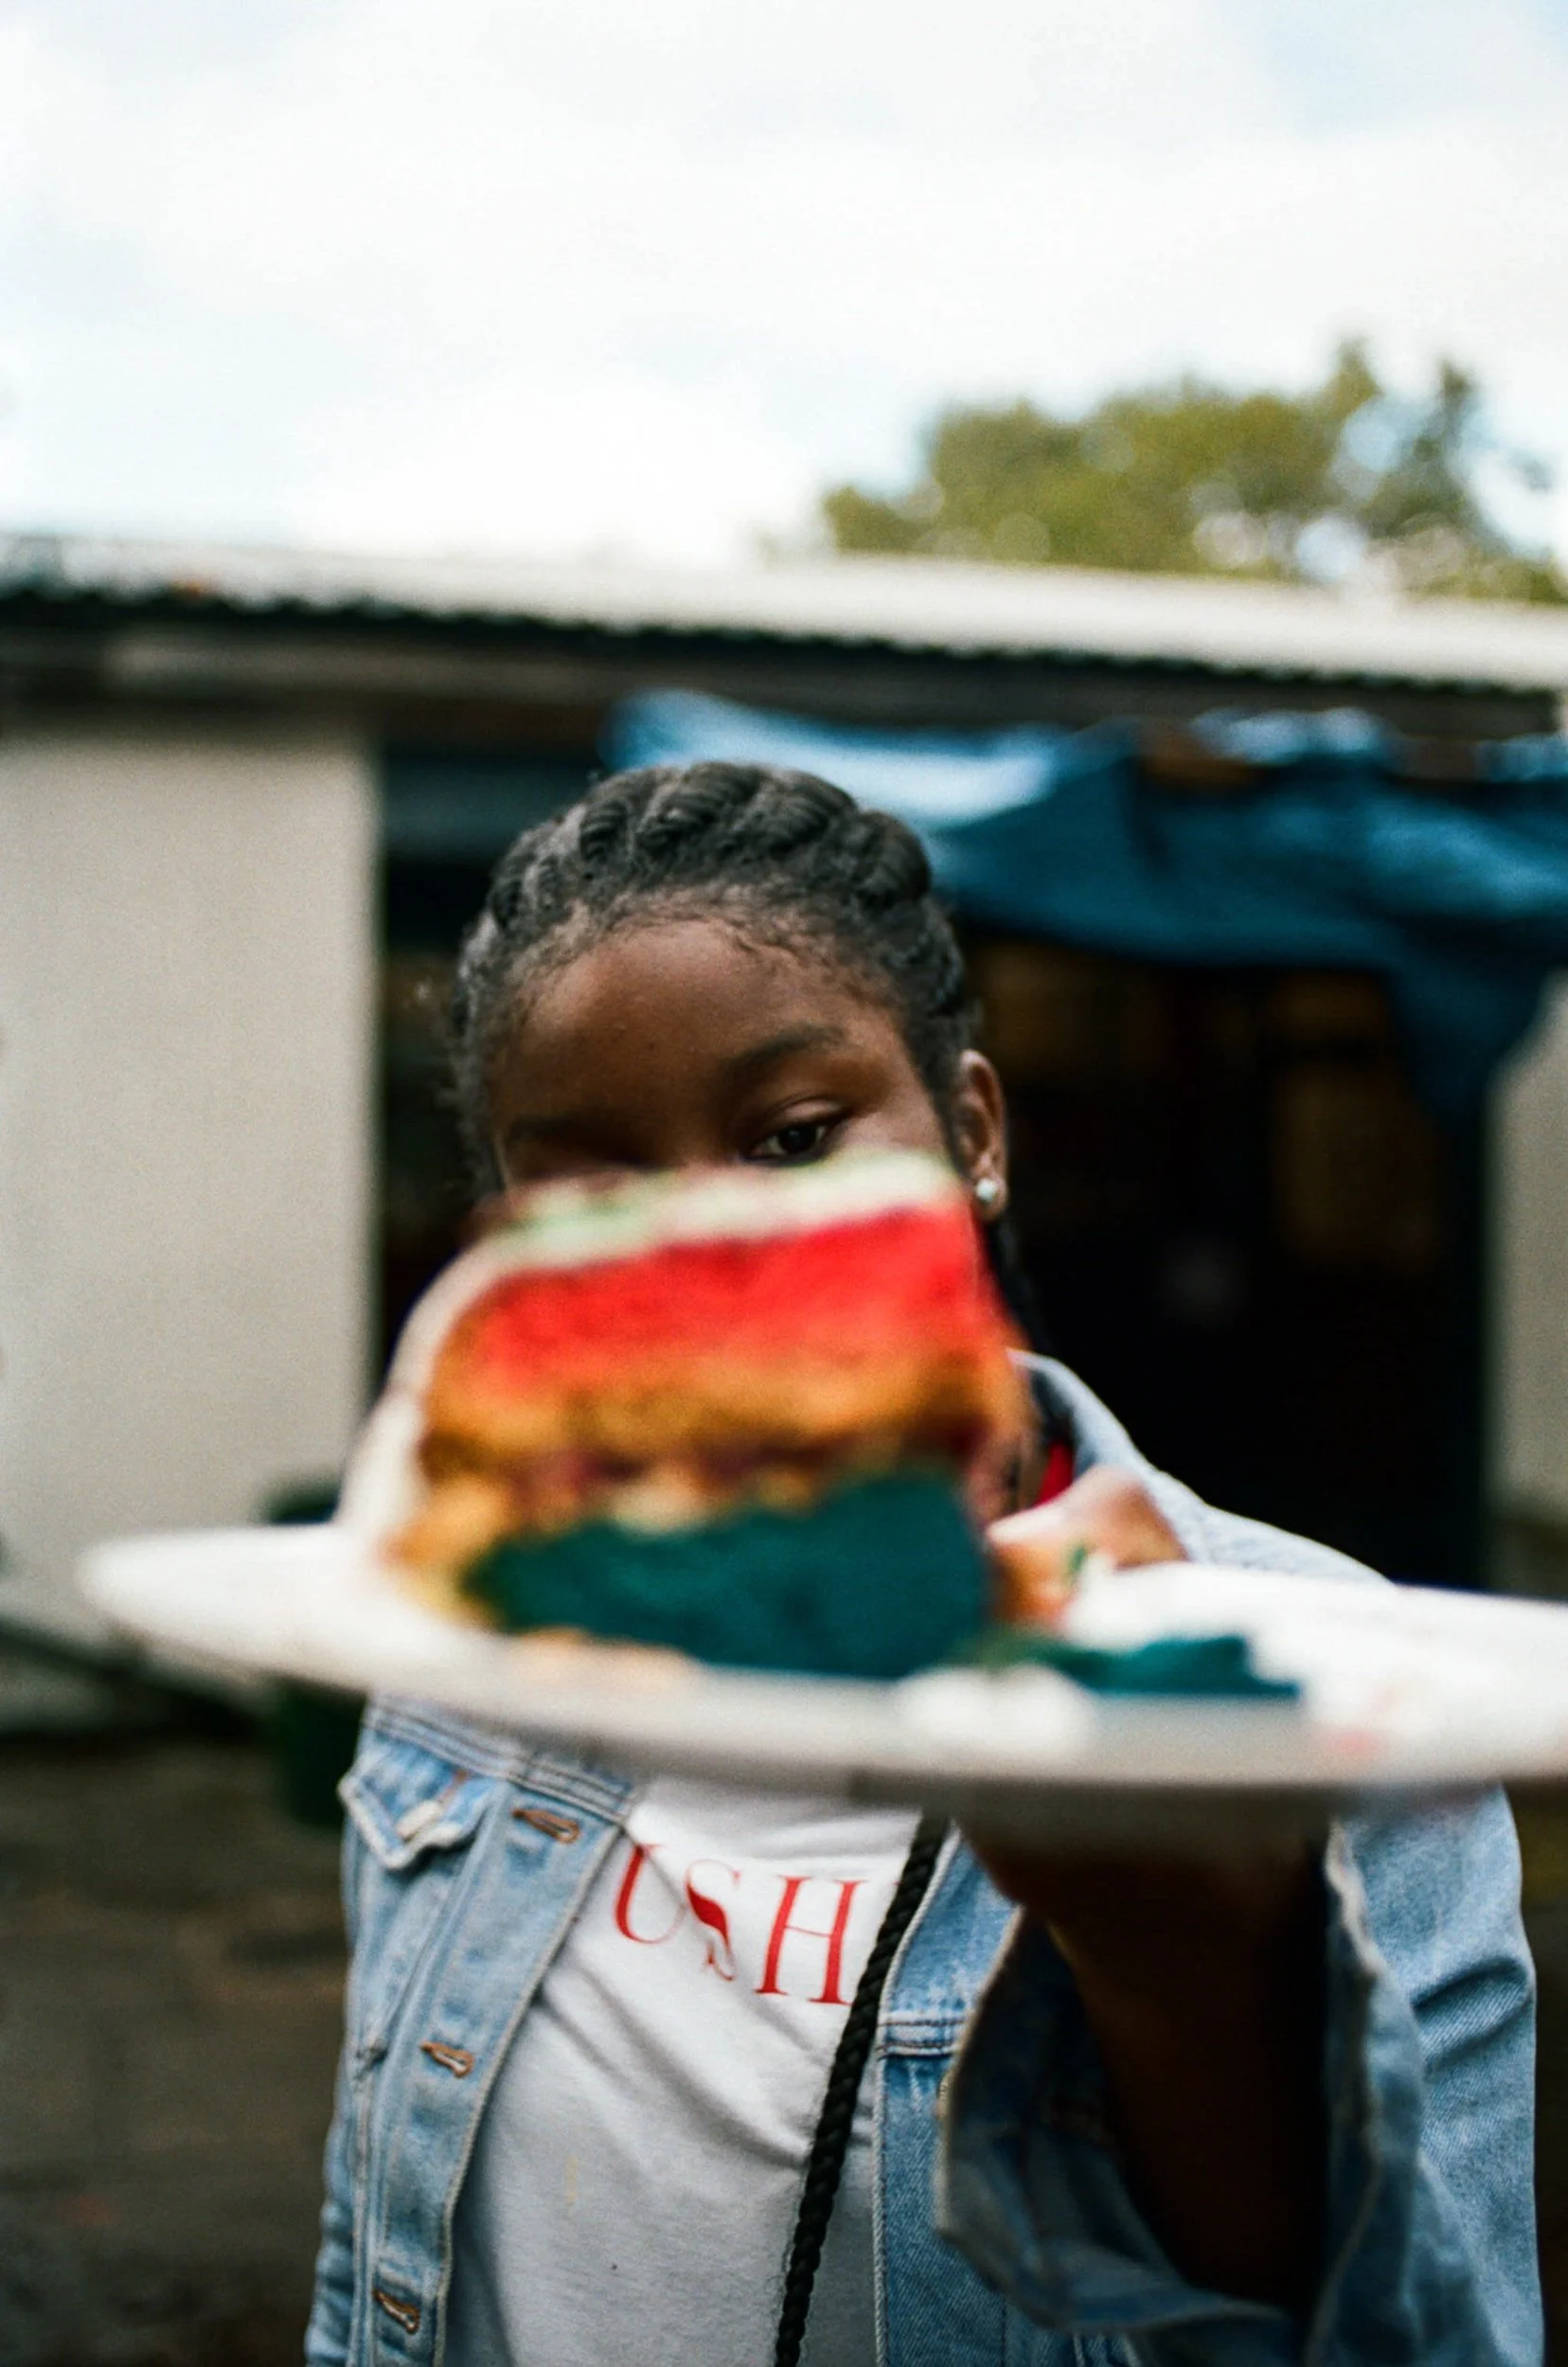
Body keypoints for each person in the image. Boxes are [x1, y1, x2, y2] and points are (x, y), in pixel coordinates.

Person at [308, 761, 1539, 2367]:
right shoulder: (456, 1643)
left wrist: (1197, 1993)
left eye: (794, 1138)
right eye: (595, 1185)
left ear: (971, 1134)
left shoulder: (1317, 1690)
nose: (726, 1243)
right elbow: (375, 2251)